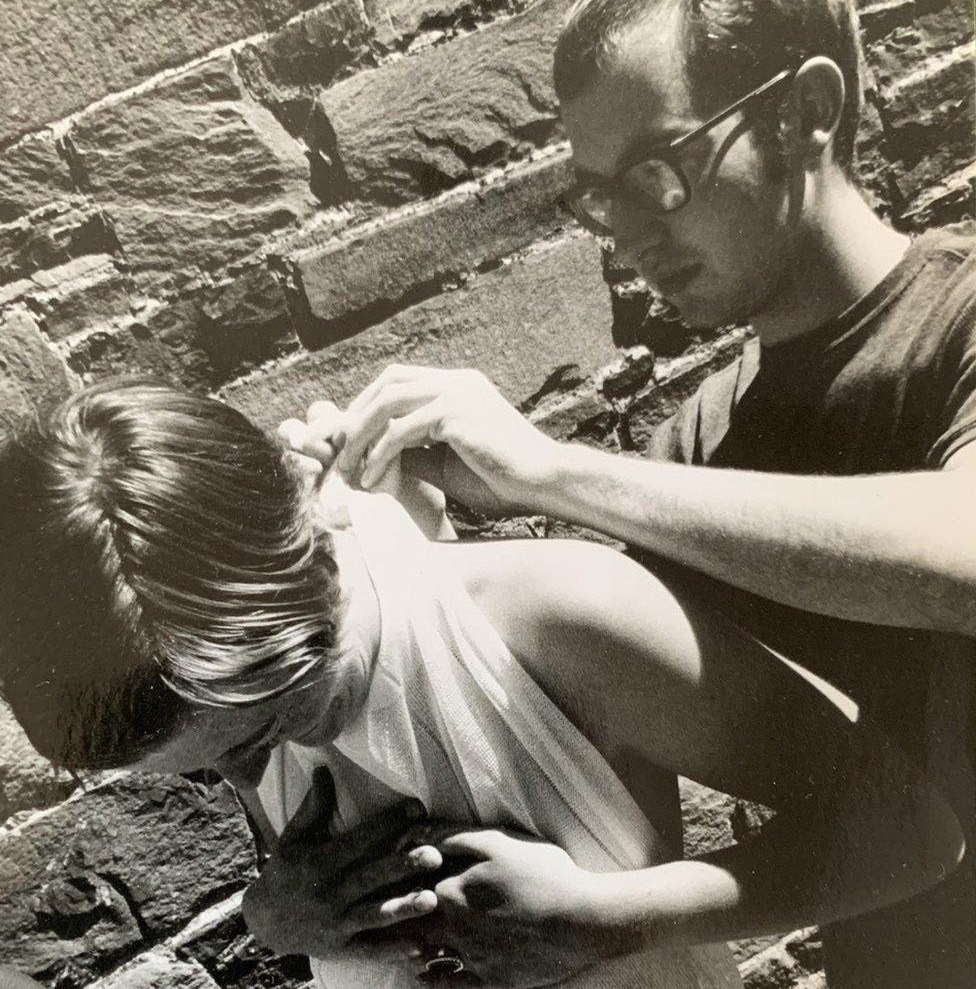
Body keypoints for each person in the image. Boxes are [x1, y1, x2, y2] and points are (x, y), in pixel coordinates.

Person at [271, 0, 976, 986]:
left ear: (805, 112)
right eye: (599, 194)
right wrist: (388, 539)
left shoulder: (959, 319)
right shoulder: (696, 446)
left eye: (657, 173)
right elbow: (584, 752)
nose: (624, 235)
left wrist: (554, 473)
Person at [0, 381, 961, 989]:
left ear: (310, 567)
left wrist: (616, 921)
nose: (255, 772)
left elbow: (912, 829)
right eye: (215, 772)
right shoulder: (215, 674)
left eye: (260, 738)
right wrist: (276, 918)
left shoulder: (560, 616)